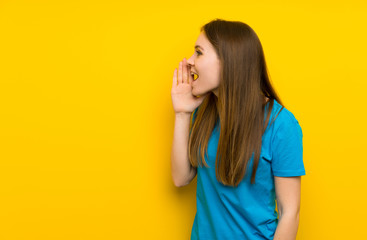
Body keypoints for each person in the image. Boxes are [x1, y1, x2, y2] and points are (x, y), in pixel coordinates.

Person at [170, 18, 306, 240]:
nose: (189, 61)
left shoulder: (281, 125)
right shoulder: (203, 113)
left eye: (199, 52)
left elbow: (289, 213)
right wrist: (182, 113)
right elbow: (180, 178)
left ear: (228, 61)